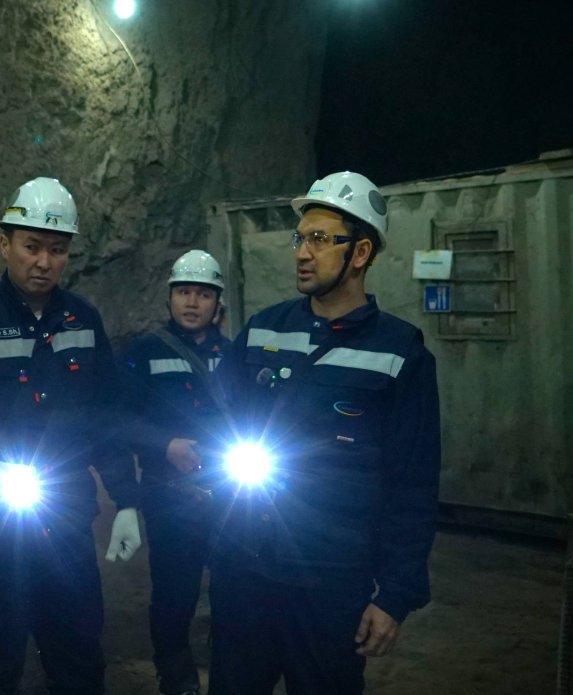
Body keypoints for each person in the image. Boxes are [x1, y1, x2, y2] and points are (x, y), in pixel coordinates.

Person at [208, 171, 441, 694]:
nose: (302, 253)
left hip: (331, 580)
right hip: (245, 570)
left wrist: (394, 595)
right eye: (299, 238)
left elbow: (413, 482)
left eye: (319, 239)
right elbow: (216, 419)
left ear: (361, 253)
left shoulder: (398, 352)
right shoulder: (264, 329)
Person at [0, 176, 141, 695]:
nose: (44, 261)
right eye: (32, 247)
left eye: (57, 249)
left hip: (66, 517)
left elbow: (106, 416)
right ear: (4, 244)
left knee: (78, 656)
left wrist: (127, 500)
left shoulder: (82, 320)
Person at [120, 250, 231, 695]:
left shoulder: (234, 355)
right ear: (169, 297)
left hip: (229, 492)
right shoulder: (143, 353)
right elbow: (122, 420)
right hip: (169, 494)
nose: (192, 302)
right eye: (184, 292)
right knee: (174, 592)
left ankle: (229, 669)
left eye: (203, 294)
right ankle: (176, 676)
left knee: (233, 587)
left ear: (217, 302)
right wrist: (164, 446)